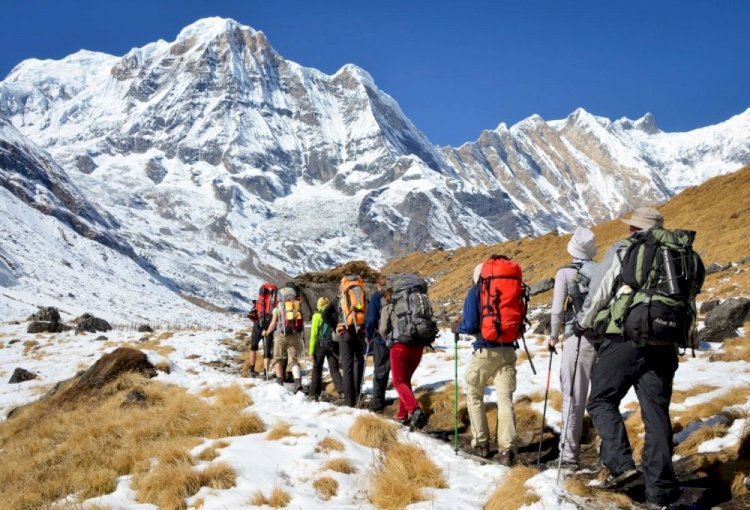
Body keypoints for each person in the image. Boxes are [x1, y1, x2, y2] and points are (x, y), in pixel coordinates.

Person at [574, 207, 687, 507]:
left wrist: (583, 322)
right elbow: (686, 301)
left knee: (600, 400)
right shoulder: (677, 254)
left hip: (623, 337)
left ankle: (621, 465)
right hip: (664, 343)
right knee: (656, 415)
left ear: (633, 229)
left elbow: (600, 290)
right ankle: (659, 492)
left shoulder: (625, 249)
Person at [453, 263, 518, 466]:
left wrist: (458, 327)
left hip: (484, 350)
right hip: (508, 351)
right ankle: (507, 449)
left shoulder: (475, 291)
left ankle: (481, 443)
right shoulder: (509, 289)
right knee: (505, 399)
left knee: (474, 393)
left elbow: (471, 324)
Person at [544, 227, 598, 470]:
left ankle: (568, 457)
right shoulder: (602, 270)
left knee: (573, 397)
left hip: (578, 339)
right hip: (605, 341)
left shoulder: (566, 273)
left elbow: (557, 310)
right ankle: (608, 454)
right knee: (602, 399)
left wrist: (553, 337)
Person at [379, 286, 427, 429]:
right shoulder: (414, 306)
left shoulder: (389, 308)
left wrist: (387, 339)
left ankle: (414, 410)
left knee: (398, 382)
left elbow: (382, 329)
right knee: (405, 381)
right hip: (418, 347)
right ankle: (402, 415)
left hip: (400, 347)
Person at [263, 287, 304, 392]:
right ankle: (298, 382)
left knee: (277, 358)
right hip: (294, 335)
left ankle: (279, 382)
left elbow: (273, 324)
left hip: (280, 335)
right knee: (293, 360)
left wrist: (267, 332)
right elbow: (300, 323)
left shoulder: (277, 308)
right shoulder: (296, 307)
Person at [308, 296, 344, 401]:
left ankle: (314, 393)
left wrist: (311, 352)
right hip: (333, 344)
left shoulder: (316, 316)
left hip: (321, 345)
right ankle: (342, 392)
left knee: (317, 368)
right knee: (334, 369)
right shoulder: (333, 314)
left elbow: (314, 335)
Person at [365, 275, 390, 413]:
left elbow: (372, 318)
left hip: (381, 338)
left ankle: (377, 401)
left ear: (379, 285)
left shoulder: (376, 297)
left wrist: (368, 335)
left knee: (380, 369)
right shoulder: (397, 296)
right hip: (398, 338)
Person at [243, 303, 274, 378]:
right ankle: (265, 373)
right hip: (269, 326)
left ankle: (252, 370)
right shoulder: (274, 300)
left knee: (253, 347)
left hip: (257, 325)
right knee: (267, 351)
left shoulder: (260, 300)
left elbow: (253, 315)